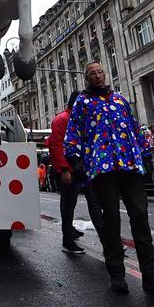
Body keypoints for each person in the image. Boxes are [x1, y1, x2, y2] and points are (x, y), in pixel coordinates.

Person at [65, 61, 154, 295]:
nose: (97, 76)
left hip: (129, 164)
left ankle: (152, 276)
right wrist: (75, 162)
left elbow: (135, 128)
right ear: (86, 78)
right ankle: (116, 274)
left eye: (99, 72)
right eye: (92, 73)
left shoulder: (119, 100)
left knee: (140, 217)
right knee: (111, 221)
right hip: (103, 169)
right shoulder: (82, 103)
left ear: (104, 74)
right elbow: (73, 133)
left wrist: (145, 155)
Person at [48, 91, 103, 254]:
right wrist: (65, 169)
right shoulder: (61, 119)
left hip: (84, 168)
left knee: (93, 202)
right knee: (69, 203)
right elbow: (58, 145)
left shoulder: (83, 118)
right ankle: (67, 239)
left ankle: (106, 239)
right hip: (69, 170)